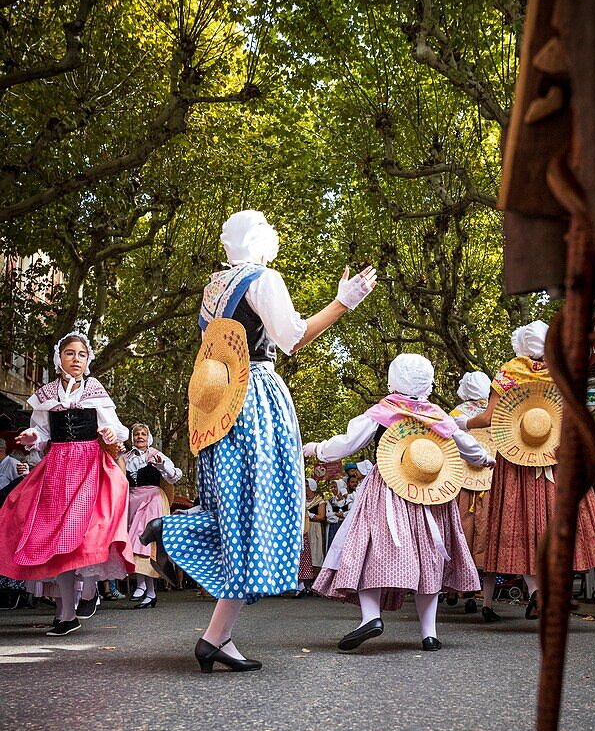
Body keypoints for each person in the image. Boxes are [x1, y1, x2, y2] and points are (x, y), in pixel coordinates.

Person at [141, 209, 376, 672]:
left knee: (238, 512)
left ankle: (216, 638)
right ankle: (172, 532)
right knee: (264, 509)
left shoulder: (214, 288)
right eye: (271, 231)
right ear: (261, 237)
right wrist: (342, 302)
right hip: (255, 398)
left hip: (219, 402)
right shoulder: (263, 278)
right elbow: (291, 337)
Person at [304, 353, 494, 652]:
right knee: (429, 555)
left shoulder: (384, 410)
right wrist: (484, 459)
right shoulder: (436, 414)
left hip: (388, 487)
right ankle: (429, 633)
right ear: (427, 383)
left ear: (393, 379)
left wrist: (316, 449)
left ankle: (371, 617)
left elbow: (348, 442)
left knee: (369, 548)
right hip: (431, 492)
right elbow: (465, 442)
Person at [459, 321, 595, 621]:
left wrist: (462, 424)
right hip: (556, 456)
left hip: (517, 458)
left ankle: (535, 591)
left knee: (522, 524)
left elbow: (489, 418)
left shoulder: (508, 373)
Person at [0, 331, 134, 635]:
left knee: (80, 535)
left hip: (88, 468)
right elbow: (42, 433)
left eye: (82, 355)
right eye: (70, 353)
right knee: (57, 540)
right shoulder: (46, 394)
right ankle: (67, 613)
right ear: (59, 358)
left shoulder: (94, 389)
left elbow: (114, 427)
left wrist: (111, 435)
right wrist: (31, 437)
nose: (76, 359)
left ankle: (85, 597)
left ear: (87, 361)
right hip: (57, 470)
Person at [449, 370, 493, 614]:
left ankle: (458, 586)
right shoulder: (499, 412)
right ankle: (483, 597)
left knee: (462, 532)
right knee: (487, 535)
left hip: (462, 483)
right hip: (491, 482)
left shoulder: (455, 415)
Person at [125, 423, 182, 607]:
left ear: (148, 437)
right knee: (135, 544)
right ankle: (150, 592)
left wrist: (162, 467)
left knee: (143, 541)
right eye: (136, 434)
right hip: (132, 501)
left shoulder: (155, 455)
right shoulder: (126, 458)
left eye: (143, 434)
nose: (139, 437)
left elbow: (173, 476)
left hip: (152, 499)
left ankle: (141, 585)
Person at [325, 479, 348, 550]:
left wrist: (339, 515)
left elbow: (350, 514)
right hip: (334, 528)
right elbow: (328, 517)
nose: (333, 489)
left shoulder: (348, 501)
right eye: (332, 487)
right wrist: (339, 516)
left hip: (346, 528)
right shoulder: (330, 501)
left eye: (335, 487)